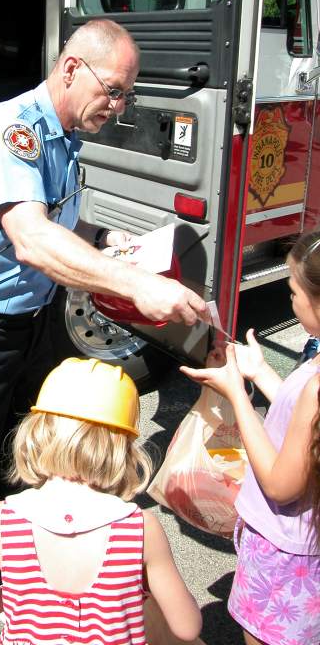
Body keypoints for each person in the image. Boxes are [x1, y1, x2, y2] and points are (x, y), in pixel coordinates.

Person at [0, 18, 209, 642]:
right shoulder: (13, 131)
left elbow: (57, 223)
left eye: (129, 95)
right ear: (73, 68)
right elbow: (30, 237)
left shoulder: (67, 134)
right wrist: (132, 284)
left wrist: (109, 242)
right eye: (115, 90)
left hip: (33, 321)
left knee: (32, 464)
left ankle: (35, 605)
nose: (121, 105)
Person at [0, 357, 203, 644]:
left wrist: (18, 592)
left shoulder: (1, 520)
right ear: (123, 446)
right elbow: (187, 627)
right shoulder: (140, 529)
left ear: (39, 430)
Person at [180, 229, 320, 645]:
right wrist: (260, 373)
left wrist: (237, 396)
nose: (290, 300)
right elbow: (306, 424)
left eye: (294, 290)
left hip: (287, 552)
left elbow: (281, 485)